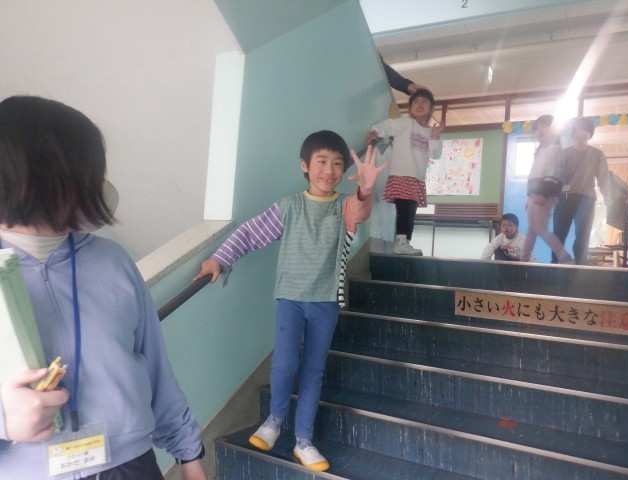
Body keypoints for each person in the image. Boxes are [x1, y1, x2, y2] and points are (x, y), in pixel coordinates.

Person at [0, 96, 206, 480]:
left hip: (131, 466)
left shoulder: (111, 260)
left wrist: (189, 454)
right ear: (47, 173)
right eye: (88, 170)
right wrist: (5, 421)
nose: (97, 184)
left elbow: (155, 366)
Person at [193, 131, 387, 472]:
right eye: (321, 162)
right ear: (305, 165)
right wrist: (219, 259)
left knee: (313, 371)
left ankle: (303, 441)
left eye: (337, 164)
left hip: (326, 300)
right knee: (283, 365)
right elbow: (250, 233)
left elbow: (360, 211)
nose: (329, 170)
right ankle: (274, 419)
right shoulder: (289, 207)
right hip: (291, 299)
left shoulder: (344, 206)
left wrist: (366, 189)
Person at [366, 89, 444, 255]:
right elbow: (388, 126)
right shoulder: (406, 123)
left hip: (417, 179)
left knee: (410, 210)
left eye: (424, 102)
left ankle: (404, 242)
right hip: (401, 175)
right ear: (410, 108)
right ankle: (401, 242)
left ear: (431, 108)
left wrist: (435, 136)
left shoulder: (430, 132)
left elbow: (435, 154)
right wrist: (375, 132)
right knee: (405, 208)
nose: (419, 104)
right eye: (415, 102)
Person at [552, 116, 611, 265]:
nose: (581, 134)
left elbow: (604, 178)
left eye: (585, 131)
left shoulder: (597, 154)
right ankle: (555, 264)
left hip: (587, 198)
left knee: (582, 236)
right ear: (573, 134)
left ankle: (580, 265)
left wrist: (608, 197)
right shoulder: (564, 153)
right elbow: (556, 177)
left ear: (590, 134)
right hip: (565, 197)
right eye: (578, 130)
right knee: (558, 234)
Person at [520, 114, 573, 264]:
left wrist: (544, 195)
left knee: (540, 228)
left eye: (544, 126)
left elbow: (553, 174)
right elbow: (534, 174)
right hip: (534, 194)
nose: (540, 130)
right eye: (537, 128)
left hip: (545, 194)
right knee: (532, 229)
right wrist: (529, 196)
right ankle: (523, 261)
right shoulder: (540, 150)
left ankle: (566, 259)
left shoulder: (555, 148)